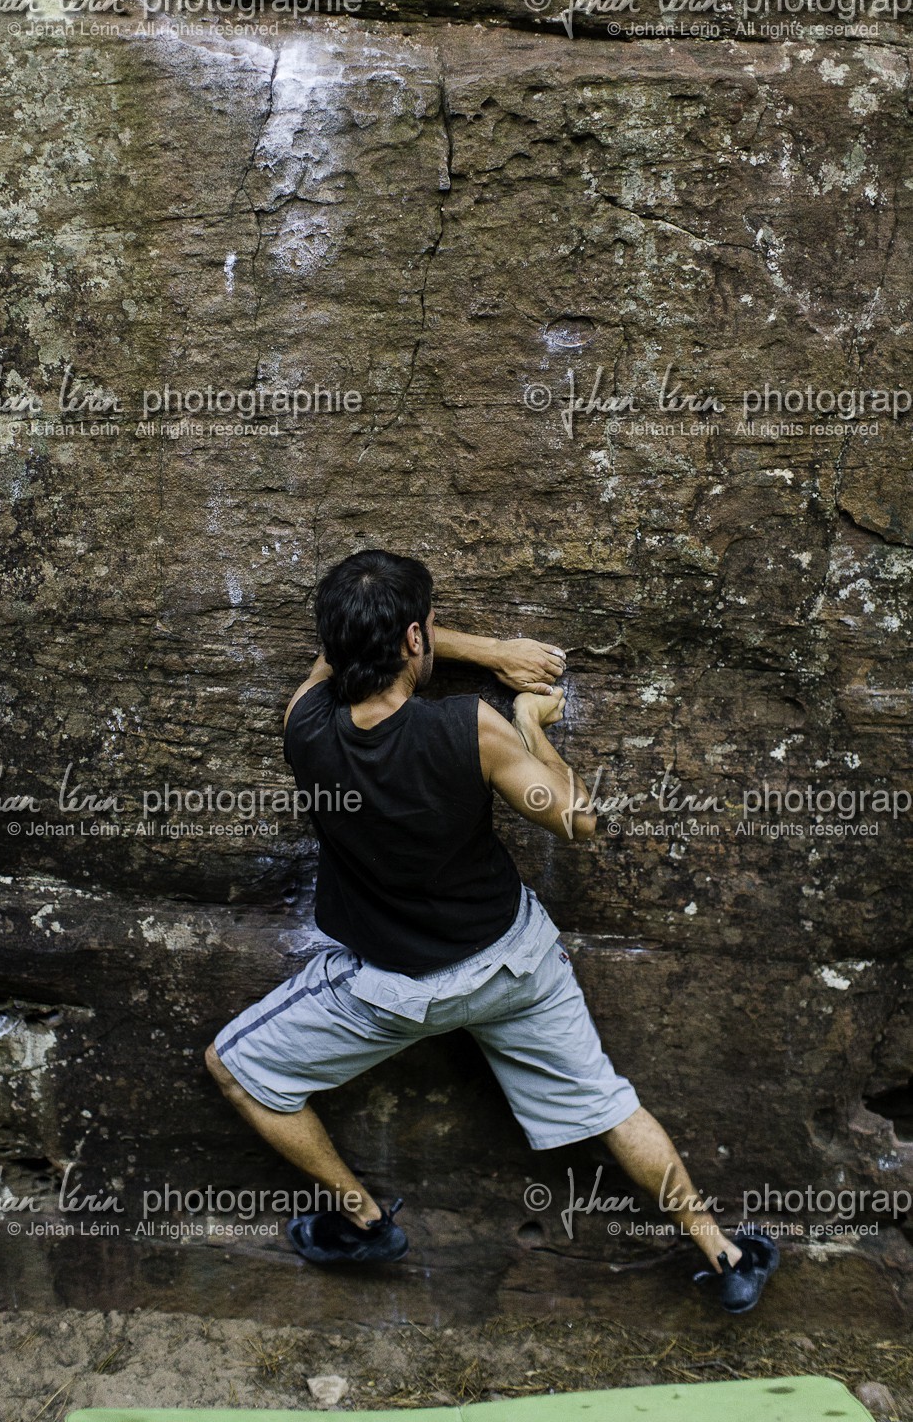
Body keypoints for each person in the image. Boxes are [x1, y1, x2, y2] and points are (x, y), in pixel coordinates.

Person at [206, 550, 778, 1312]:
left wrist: (473, 650)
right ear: (415, 638)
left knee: (237, 1068)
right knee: (607, 1104)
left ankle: (364, 1221)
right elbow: (575, 817)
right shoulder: (467, 729)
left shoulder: (304, 727)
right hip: (515, 966)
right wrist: (527, 721)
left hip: (395, 991)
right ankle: (723, 1252)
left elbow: (334, 656)